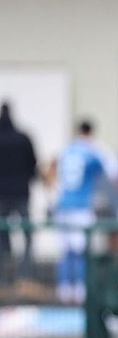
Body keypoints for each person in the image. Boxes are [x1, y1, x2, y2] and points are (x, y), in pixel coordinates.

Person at [52, 120, 118, 304]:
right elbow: (114, 171)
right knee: (82, 250)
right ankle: (82, 290)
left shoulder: (67, 150)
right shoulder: (93, 150)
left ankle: (64, 290)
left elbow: (52, 171)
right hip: (81, 206)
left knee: (65, 251)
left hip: (62, 205)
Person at [0, 102, 37, 284]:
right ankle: (25, 275)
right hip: (21, 193)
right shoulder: (23, 138)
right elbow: (33, 166)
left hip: (2, 196)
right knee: (27, 235)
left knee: (2, 236)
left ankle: (5, 277)